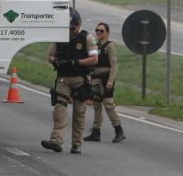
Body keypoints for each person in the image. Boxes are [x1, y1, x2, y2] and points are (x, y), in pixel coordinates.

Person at [41, 8, 98, 154]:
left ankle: (77, 143)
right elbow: (50, 55)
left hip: (81, 79)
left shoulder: (87, 38)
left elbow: (94, 58)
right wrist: (57, 61)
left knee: (79, 112)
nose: (69, 32)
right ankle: (56, 140)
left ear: (78, 25)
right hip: (63, 78)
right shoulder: (60, 37)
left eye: (72, 28)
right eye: (67, 28)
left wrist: (77, 62)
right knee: (60, 107)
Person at [83, 22, 126, 143]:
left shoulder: (109, 46)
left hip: (106, 79)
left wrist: (111, 81)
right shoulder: (95, 46)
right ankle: (96, 132)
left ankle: (119, 130)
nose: (98, 33)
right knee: (96, 105)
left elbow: (114, 64)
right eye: (97, 30)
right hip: (95, 80)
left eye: (101, 31)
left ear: (107, 33)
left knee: (108, 105)